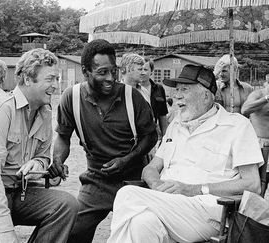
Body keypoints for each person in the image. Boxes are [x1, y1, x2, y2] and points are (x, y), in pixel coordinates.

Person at [108, 64, 262, 243]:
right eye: (176, 90)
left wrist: (193, 189)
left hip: (209, 212)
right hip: (167, 205)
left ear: (205, 96)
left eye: (184, 89)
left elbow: (253, 185)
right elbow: (151, 168)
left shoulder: (237, 126)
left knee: (127, 194)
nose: (176, 96)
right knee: (140, 223)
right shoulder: (176, 125)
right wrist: (156, 184)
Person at [0, 48, 79, 243]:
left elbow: (44, 156)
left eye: (57, 79)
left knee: (67, 204)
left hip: (14, 190)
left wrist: (39, 163)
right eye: (50, 79)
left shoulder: (44, 112)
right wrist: (5, 230)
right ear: (28, 79)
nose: (56, 86)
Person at [48, 39, 157, 243]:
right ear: (85, 71)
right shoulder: (71, 98)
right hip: (96, 179)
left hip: (134, 179)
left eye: (113, 71)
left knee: (140, 232)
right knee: (73, 232)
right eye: (102, 72)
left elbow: (150, 136)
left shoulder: (132, 97)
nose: (110, 78)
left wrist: (127, 159)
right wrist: (58, 159)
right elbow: (63, 137)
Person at [241, 74, 269, 197]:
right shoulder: (258, 95)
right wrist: (267, 99)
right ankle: (252, 215)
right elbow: (244, 110)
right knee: (260, 184)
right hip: (261, 145)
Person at [141, 57, 168, 137]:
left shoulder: (159, 89)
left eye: (145, 70)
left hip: (153, 134)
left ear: (151, 72)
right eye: (140, 69)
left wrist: (165, 137)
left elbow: (163, 115)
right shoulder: (132, 88)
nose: (142, 72)